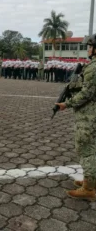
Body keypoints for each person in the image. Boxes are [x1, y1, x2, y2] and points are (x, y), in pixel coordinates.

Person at [55, 34, 96, 200]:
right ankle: (90, 180)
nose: (88, 49)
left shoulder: (93, 68)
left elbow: (87, 93)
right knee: (90, 147)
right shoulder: (91, 66)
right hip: (90, 114)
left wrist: (67, 103)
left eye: (90, 46)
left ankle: (89, 188)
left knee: (86, 149)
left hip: (89, 115)